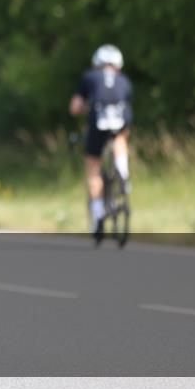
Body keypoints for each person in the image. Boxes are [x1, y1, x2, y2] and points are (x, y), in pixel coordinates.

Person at [69, 45, 133, 242]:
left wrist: (82, 110)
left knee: (94, 165)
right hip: (121, 117)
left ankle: (97, 215)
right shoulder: (124, 80)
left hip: (98, 118)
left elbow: (75, 107)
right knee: (121, 137)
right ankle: (123, 172)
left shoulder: (90, 77)